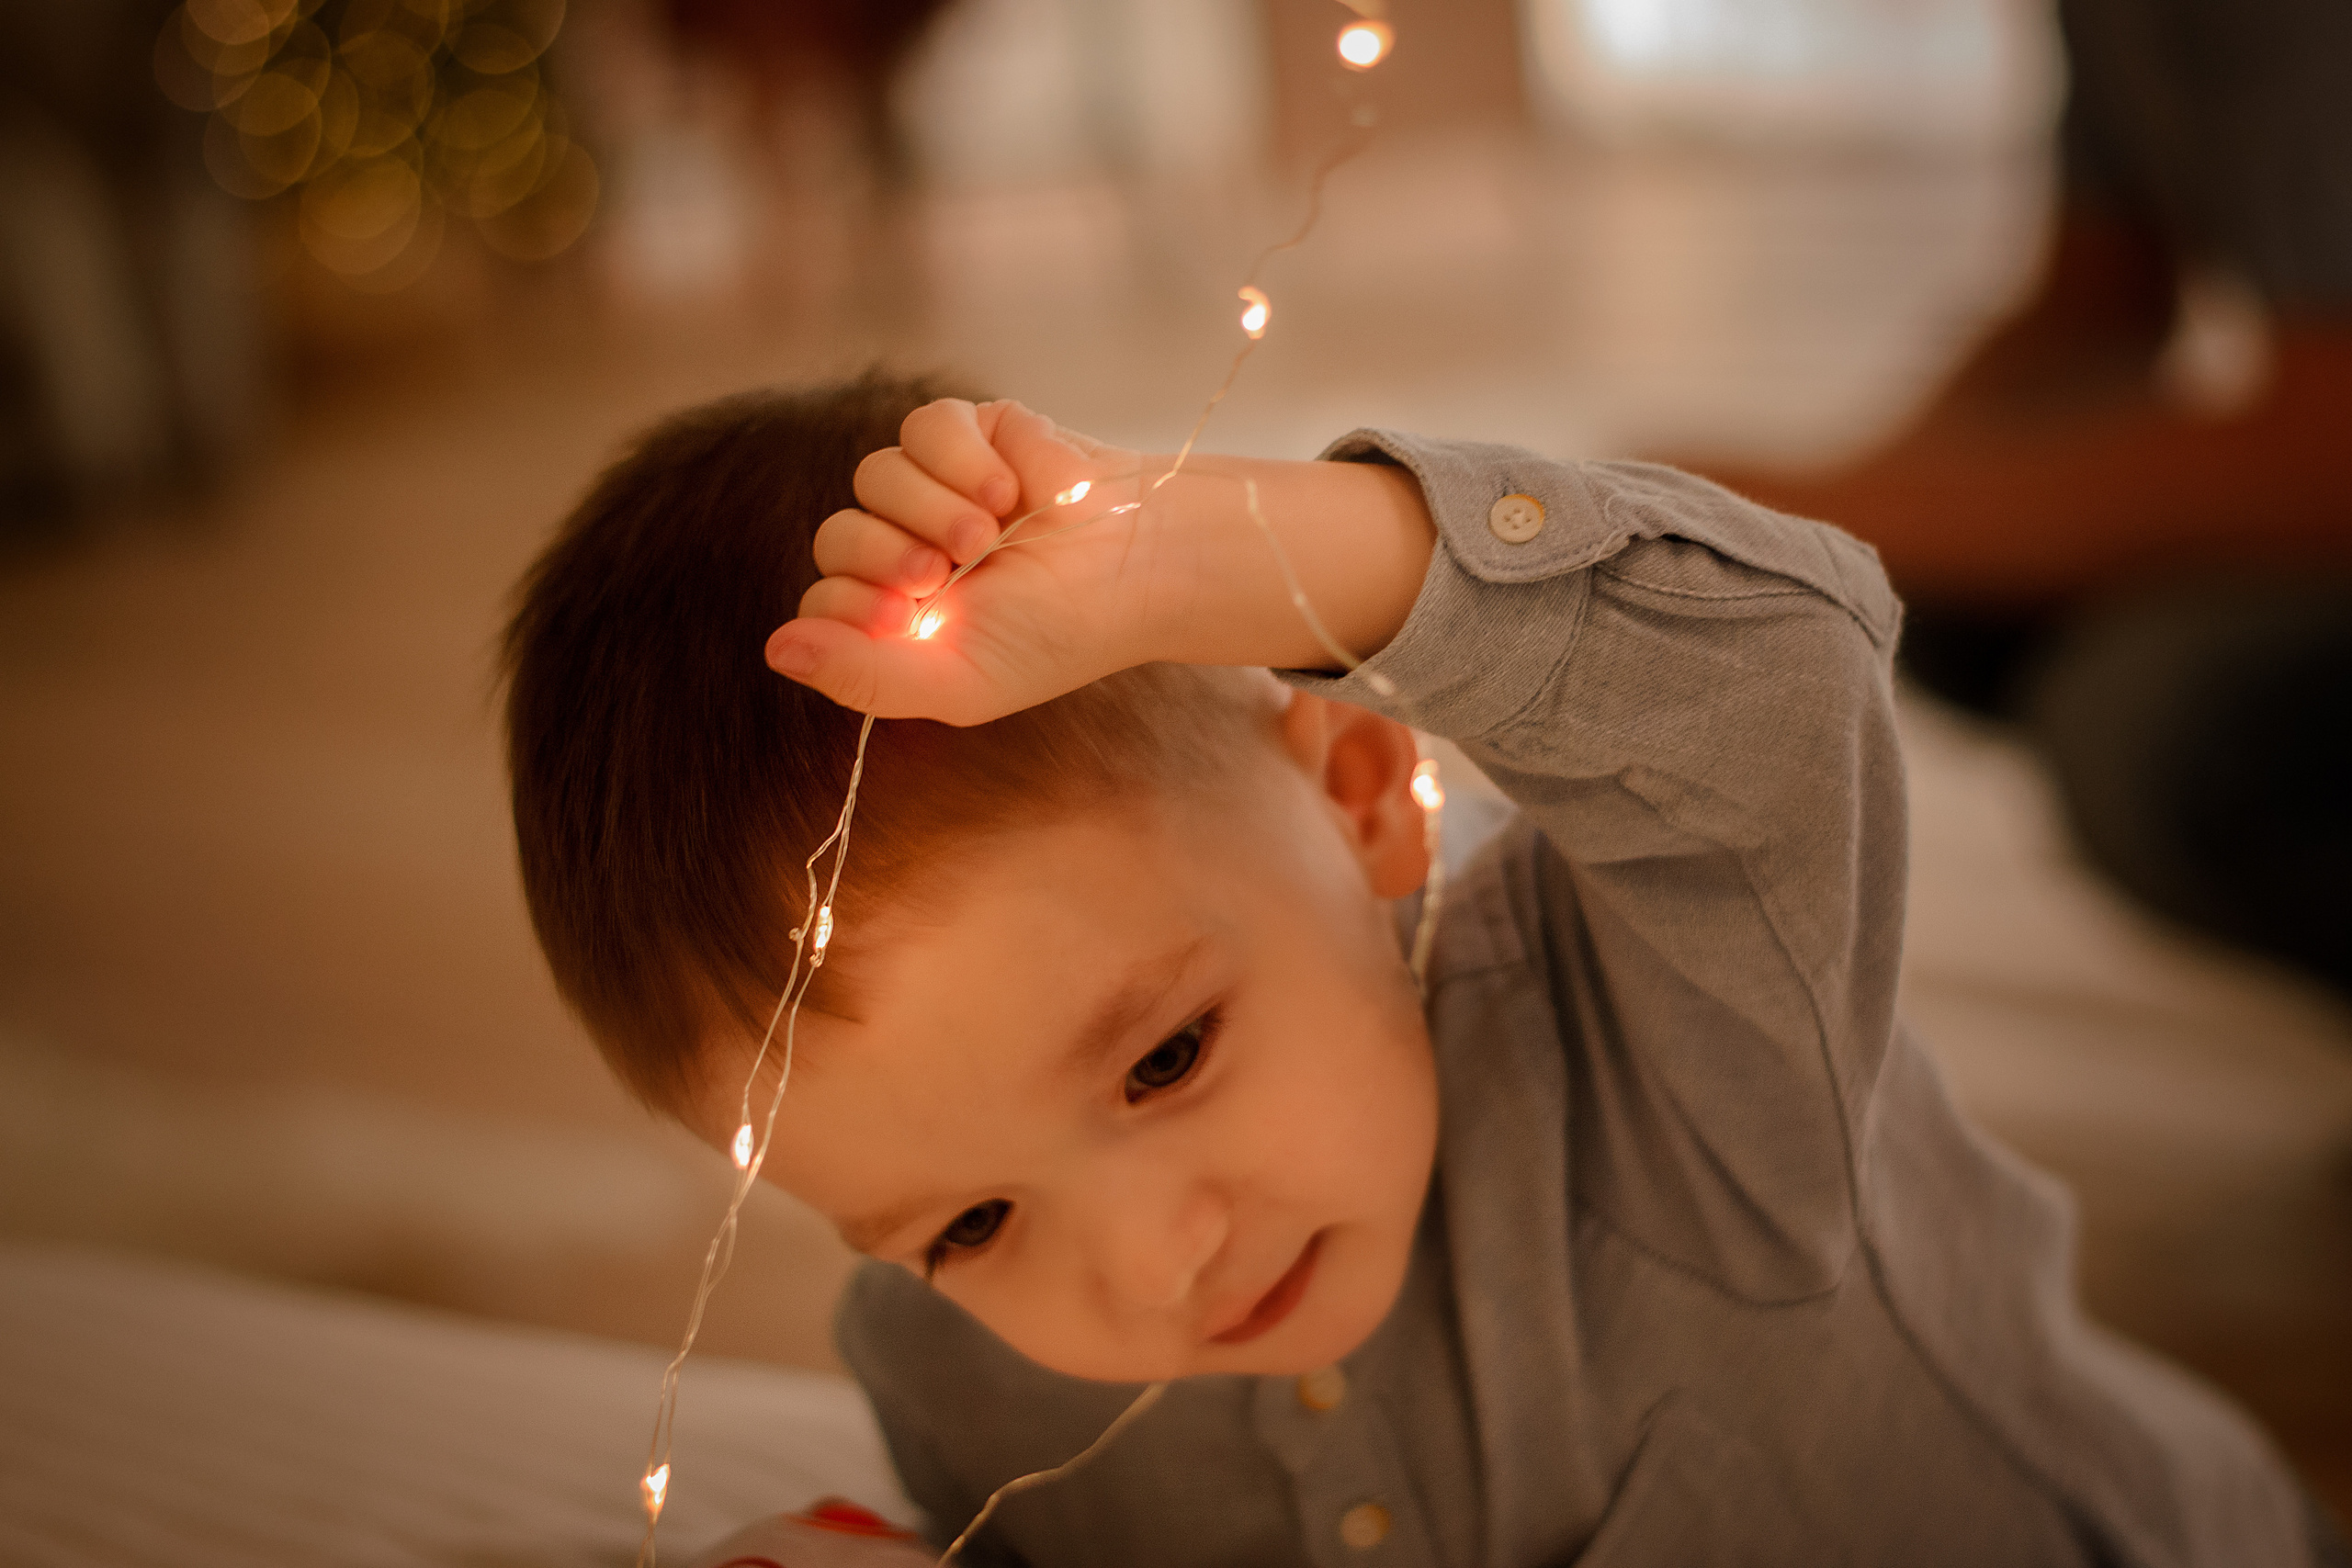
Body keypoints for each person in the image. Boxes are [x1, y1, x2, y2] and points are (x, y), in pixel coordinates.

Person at [503, 373, 2335, 1566]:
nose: (1153, 1261)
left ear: (1365, 793)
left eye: (1163, 1060)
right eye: (967, 1223)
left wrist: (1205, 557)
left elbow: (1785, 666)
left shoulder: (1662, 1043)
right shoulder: (970, 1384)